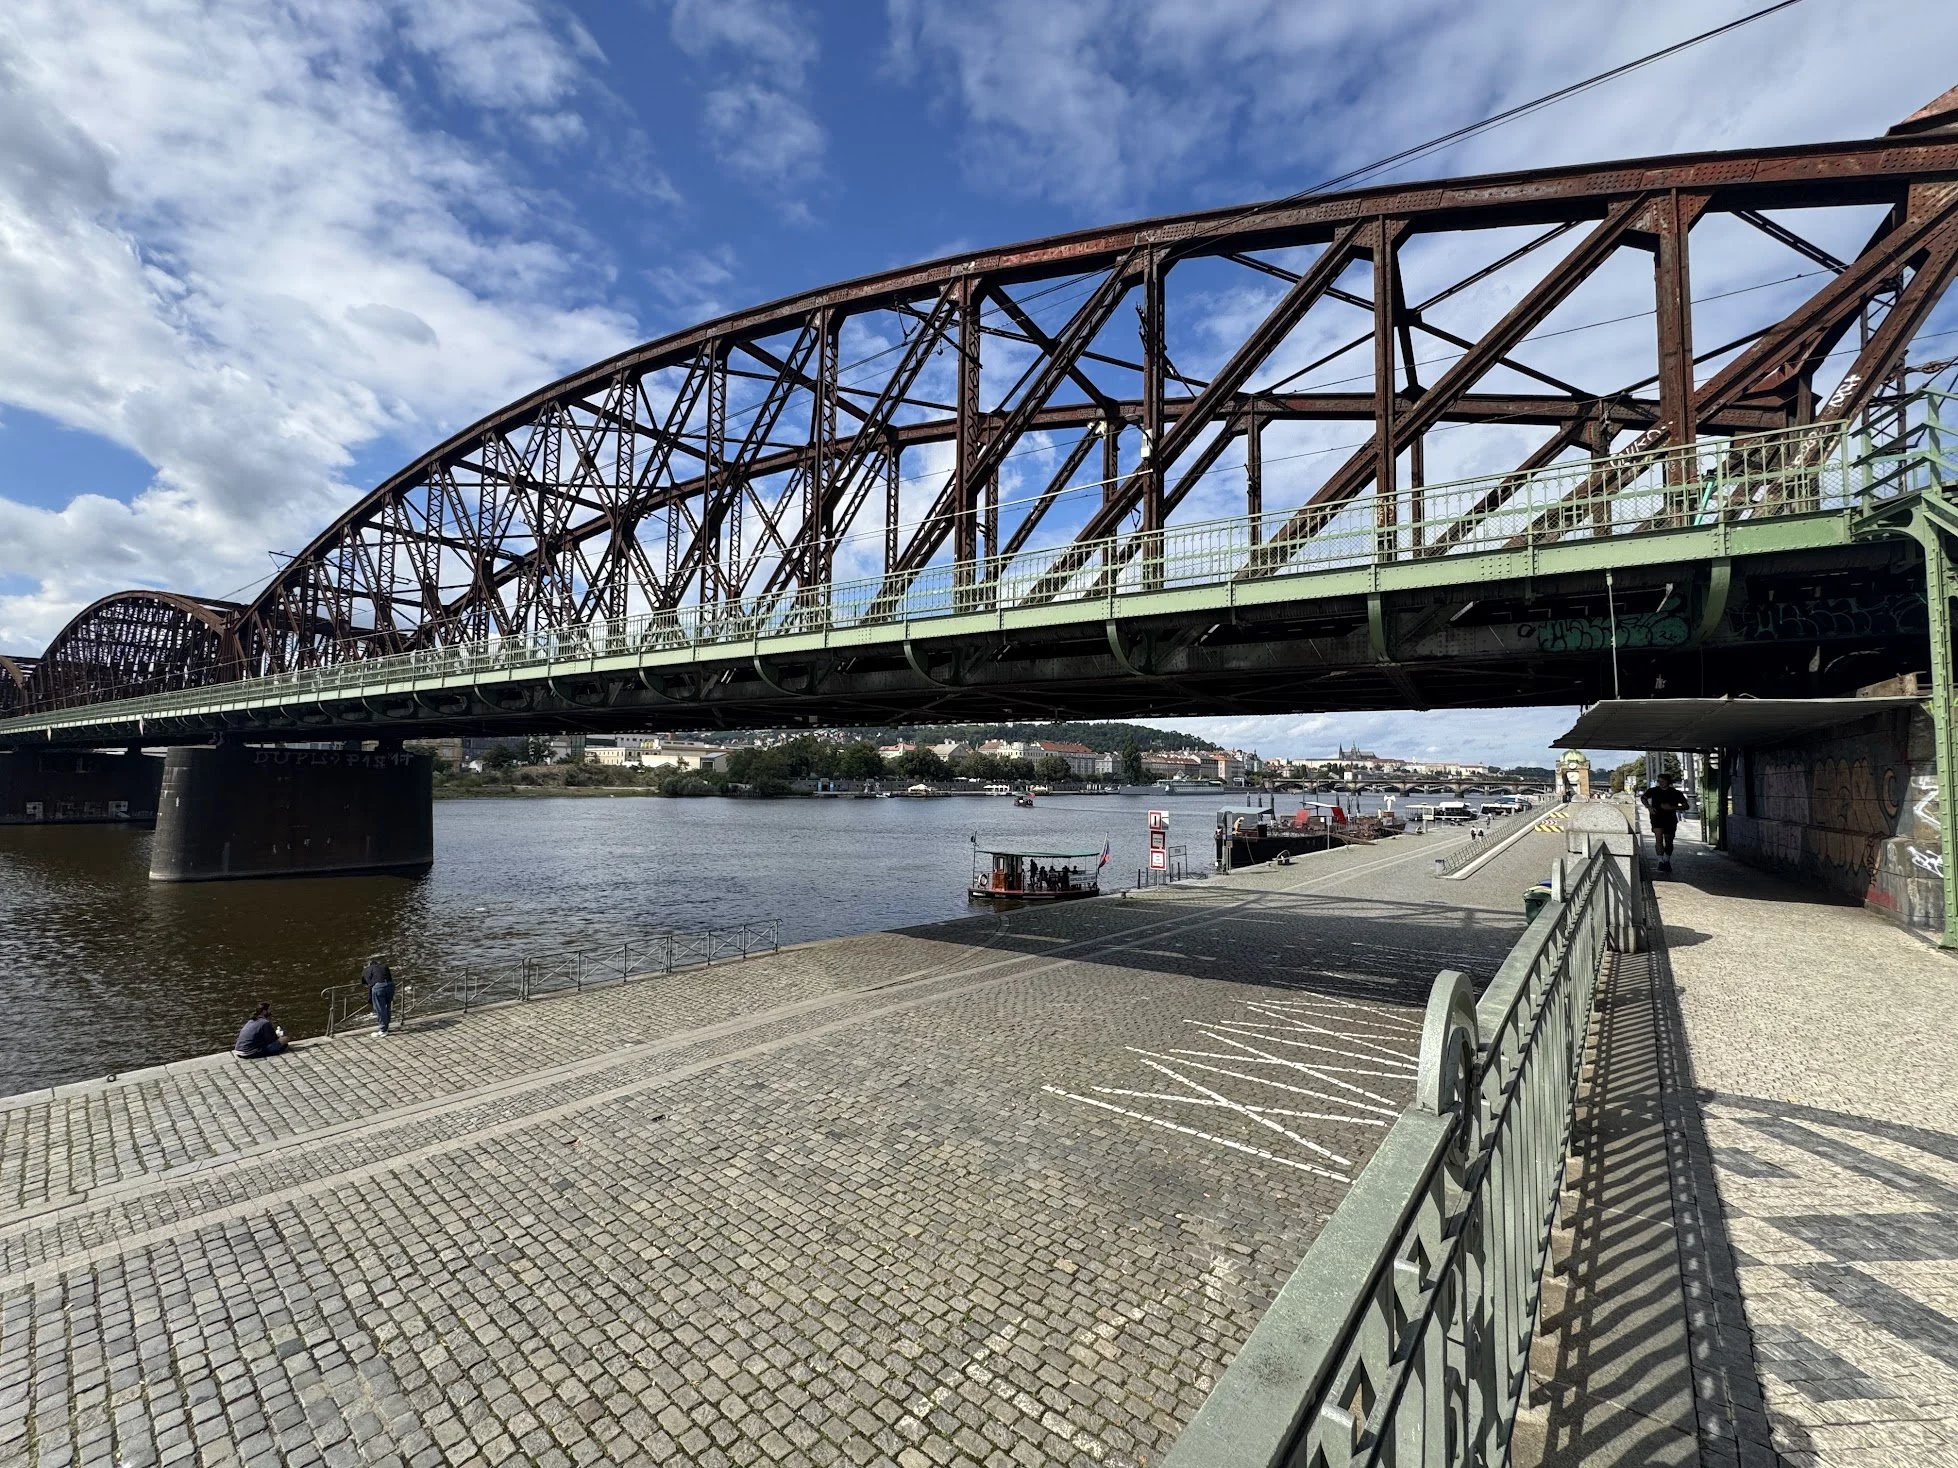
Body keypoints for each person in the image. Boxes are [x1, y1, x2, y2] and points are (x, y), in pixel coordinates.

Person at [1640, 771, 1689, 873]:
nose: (1660, 783)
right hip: (1656, 817)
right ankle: (1660, 861)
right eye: (1659, 781)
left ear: (1668, 781)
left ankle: (1666, 859)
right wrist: (1649, 807)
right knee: (1658, 838)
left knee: (1669, 840)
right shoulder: (1653, 791)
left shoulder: (1675, 793)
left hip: (1670, 819)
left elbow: (1686, 806)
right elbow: (1643, 798)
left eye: (1663, 781)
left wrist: (1672, 807)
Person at [363, 953, 396, 1036]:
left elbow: (367, 983)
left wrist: (370, 998)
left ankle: (383, 1030)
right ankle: (386, 1027)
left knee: (380, 1008)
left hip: (378, 988)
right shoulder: (384, 966)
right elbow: (390, 978)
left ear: (368, 964)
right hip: (390, 986)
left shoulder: (367, 970)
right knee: (387, 1006)